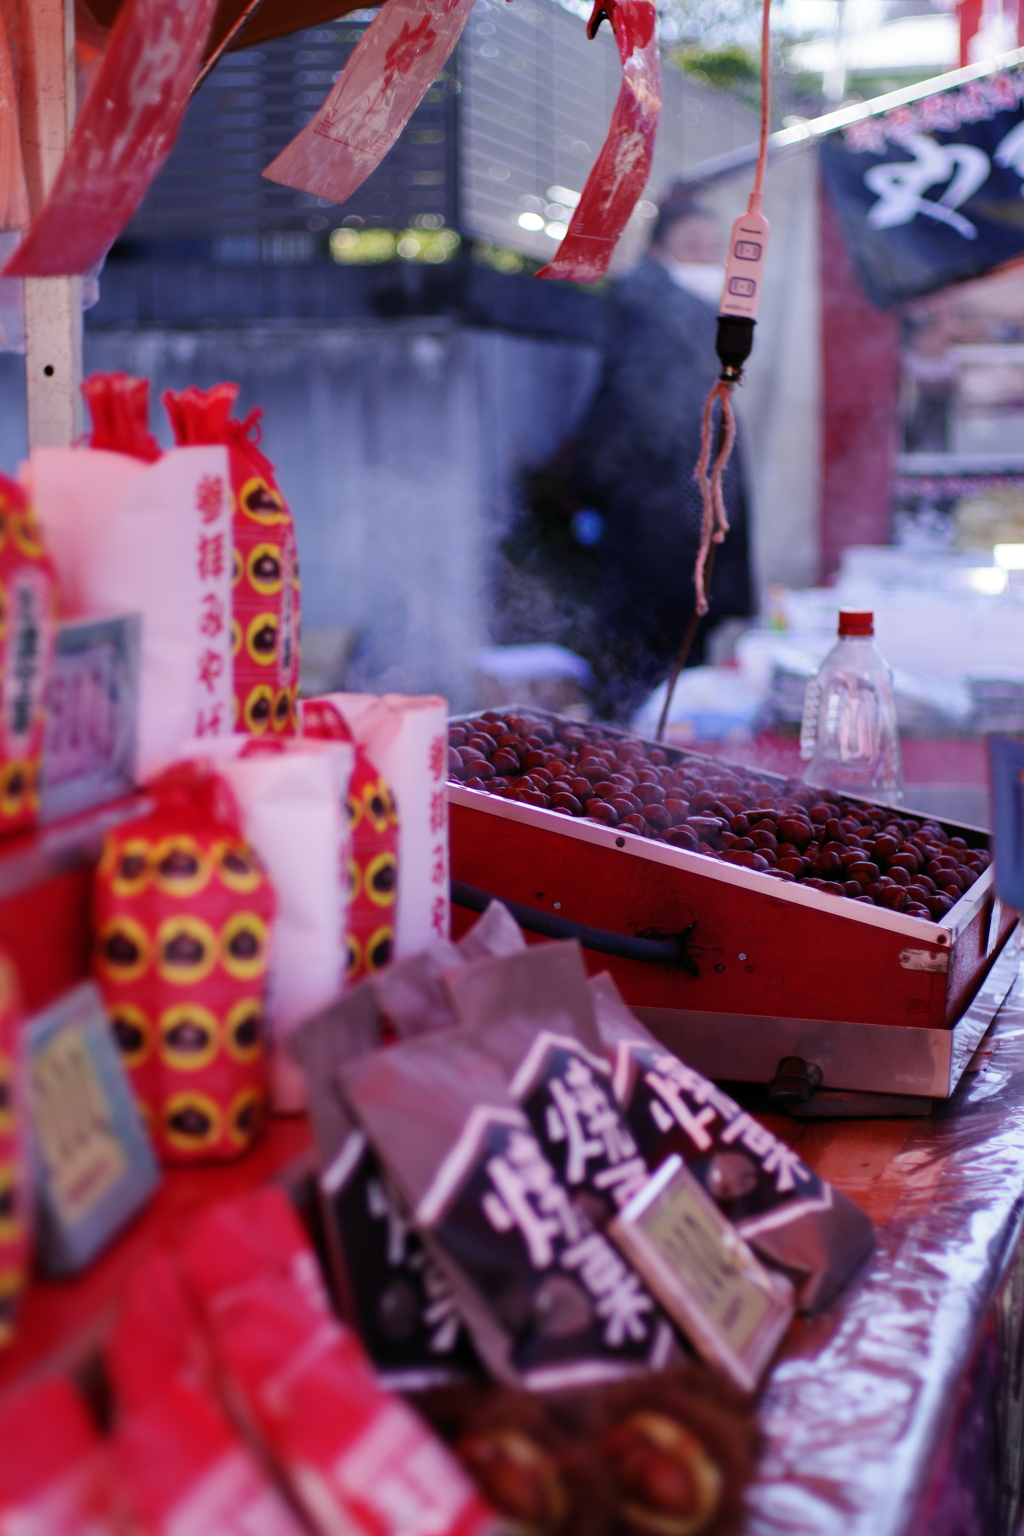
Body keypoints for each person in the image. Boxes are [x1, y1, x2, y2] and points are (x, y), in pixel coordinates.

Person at [569, 197, 754, 720]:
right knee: (655, 660)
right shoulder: (650, 313)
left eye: (712, 248)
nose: (706, 258)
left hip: (683, 511)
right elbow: (625, 409)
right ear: (657, 250)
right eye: (691, 247)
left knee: (672, 659)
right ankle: (635, 769)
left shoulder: (684, 314)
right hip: (660, 519)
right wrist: (597, 486)